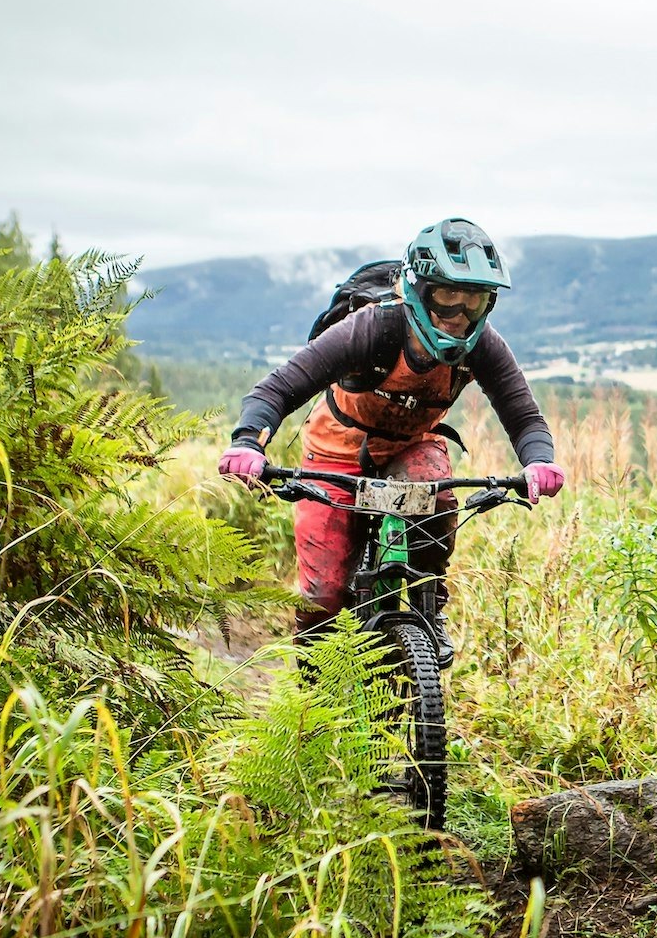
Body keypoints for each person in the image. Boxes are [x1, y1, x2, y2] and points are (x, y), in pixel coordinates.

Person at [219, 218, 565, 664]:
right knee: (324, 595)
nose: (460, 318)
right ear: (420, 292)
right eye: (447, 299)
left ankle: (427, 606)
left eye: (474, 303)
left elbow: (523, 414)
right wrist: (248, 443)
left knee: (435, 489)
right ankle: (309, 692)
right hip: (335, 449)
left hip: (411, 444)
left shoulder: (482, 346)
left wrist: (539, 460)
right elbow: (278, 388)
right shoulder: (372, 328)